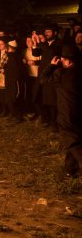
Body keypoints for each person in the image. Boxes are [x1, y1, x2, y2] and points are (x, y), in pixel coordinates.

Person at [40, 46, 82, 178]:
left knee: (73, 142)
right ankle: (70, 170)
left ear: (68, 61)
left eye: (63, 59)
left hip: (67, 113)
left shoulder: (61, 74)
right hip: (79, 112)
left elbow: (43, 78)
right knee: (75, 138)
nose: (62, 61)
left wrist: (52, 65)